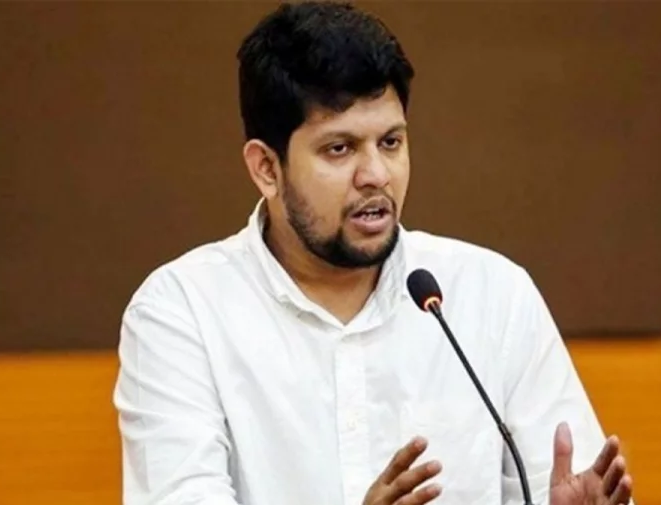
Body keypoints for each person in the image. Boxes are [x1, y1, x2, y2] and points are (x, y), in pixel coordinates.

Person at [113, 2, 634, 504]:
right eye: (339, 149)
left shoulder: (493, 297)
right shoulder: (182, 313)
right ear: (266, 169)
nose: (376, 175)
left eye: (390, 142)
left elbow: (564, 485)